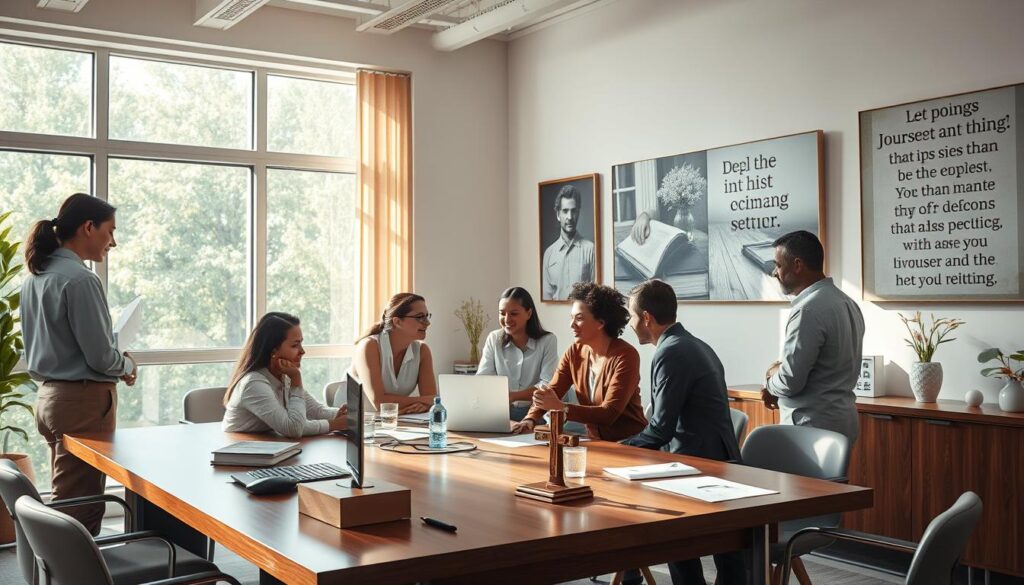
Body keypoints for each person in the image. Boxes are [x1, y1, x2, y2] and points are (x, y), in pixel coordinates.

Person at [20, 193, 138, 535]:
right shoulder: (82, 280)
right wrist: (126, 364)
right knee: (79, 514)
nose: (112, 242)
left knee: (66, 500)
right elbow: (100, 357)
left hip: (49, 399)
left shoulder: (35, 277)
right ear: (88, 227)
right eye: (110, 231)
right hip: (81, 404)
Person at [621, 279, 746, 585]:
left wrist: (619, 448)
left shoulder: (671, 351)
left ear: (647, 318)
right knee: (726, 558)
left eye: (632, 317)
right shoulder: (692, 343)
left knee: (675, 540)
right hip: (717, 462)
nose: (630, 324)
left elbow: (661, 429)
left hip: (702, 468)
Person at [762, 230, 865, 443]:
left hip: (809, 429)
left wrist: (770, 381)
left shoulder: (807, 310)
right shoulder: (847, 303)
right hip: (841, 422)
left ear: (798, 265)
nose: (774, 273)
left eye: (778, 265)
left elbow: (791, 381)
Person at [513, 282, 646, 440]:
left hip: (631, 443)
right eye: (572, 318)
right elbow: (551, 392)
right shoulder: (574, 353)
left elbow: (609, 414)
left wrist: (563, 408)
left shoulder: (626, 355)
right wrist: (530, 419)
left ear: (601, 323)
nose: (572, 325)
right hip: (595, 442)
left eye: (579, 318)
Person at [222, 312, 346, 437]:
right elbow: (293, 428)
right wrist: (334, 424)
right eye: (294, 345)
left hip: (266, 449)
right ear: (273, 350)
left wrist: (346, 416)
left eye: (301, 343)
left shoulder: (284, 376)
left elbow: (316, 411)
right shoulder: (253, 384)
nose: (302, 351)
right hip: (239, 452)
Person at [476, 287, 559, 420]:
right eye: (502, 313)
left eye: (513, 314)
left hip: (538, 412)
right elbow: (484, 378)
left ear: (529, 313)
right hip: (501, 411)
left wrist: (513, 396)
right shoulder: (494, 338)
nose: (507, 319)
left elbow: (547, 385)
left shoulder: (548, 340)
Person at [352, 292, 438, 414]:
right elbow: (379, 402)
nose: (427, 323)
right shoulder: (369, 346)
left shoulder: (422, 351)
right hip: (352, 420)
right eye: (419, 317)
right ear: (397, 322)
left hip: (394, 420)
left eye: (427, 316)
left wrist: (425, 403)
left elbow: (432, 403)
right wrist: (423, 401)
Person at [542, 184, 596, 301]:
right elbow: (546, 298)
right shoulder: (549, 254)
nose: (570, 217)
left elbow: (595, 296)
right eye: (565, 211)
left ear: (579, 213)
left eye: (573, 211)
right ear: (558, 215)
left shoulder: (590, 249)